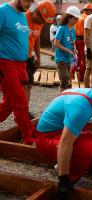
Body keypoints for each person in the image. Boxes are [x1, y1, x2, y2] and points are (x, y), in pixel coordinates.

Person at [0, 0, 34, 145]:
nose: (29, 4)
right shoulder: (2, 12)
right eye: (27, 0)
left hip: (21, 65)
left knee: (10, 103)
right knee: (20, 102)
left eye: (32, 1)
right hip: (6, 64)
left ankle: (28, 134)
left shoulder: (22, 15)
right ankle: (28, 138)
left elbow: (21, 38)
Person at [25, 0, 56, 119]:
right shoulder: (23, 18)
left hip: (28, 57)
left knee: (28, 85)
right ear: (36, 13)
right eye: (42, 19)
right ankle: (23, 112)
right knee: (25, 86)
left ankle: (23, 110)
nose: (43, 23)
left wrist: (38, 56)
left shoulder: (40, 22)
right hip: (17, 59)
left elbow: (37, 39)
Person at [54, 6, 80, 93]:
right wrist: (68, 50)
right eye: (75, 19)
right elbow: (56, 43)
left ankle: (64, 97)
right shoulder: (62, 28)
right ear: (69, 18)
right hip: (60, 58)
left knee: (67, 80)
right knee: (64, 80)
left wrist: (74, 49)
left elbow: (73, 43)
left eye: (77, 19)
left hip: (68, 59)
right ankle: (61, 99)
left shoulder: (73, 30)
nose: (76, 21)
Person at [72, 4, 92, 82]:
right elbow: (89, 31)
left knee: (78, 58)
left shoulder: (79, 17)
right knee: (83, 59)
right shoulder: (87, 18)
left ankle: (73, 71)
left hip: (76, 39)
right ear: (89, 10)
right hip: (83, 40)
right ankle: (81, 76)